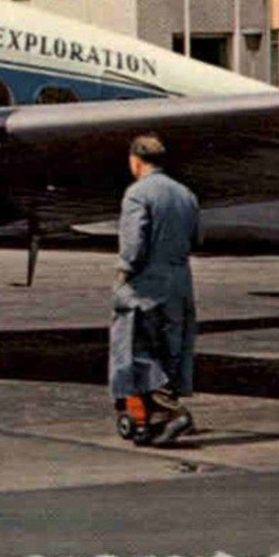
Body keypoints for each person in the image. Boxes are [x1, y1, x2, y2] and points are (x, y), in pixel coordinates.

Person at [109, 133, 201, 444]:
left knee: (135, 351)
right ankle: (153, 420)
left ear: (135, 160)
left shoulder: (137, 194)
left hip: (147, 284)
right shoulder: (186, 194)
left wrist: (124, 272)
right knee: (170, 350)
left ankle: (173, 413)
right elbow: (196, 238)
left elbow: (133, 245)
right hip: (179, 282)